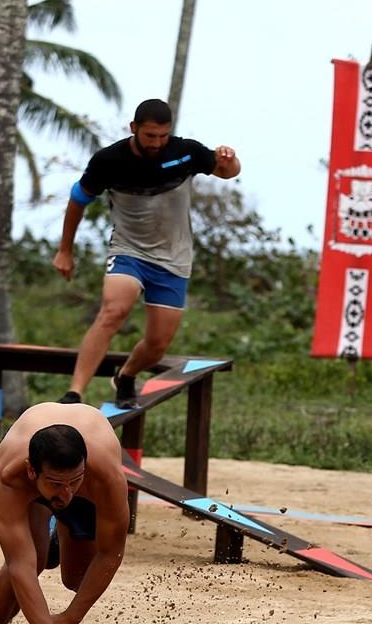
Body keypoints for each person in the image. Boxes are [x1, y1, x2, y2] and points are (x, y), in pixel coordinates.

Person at [53, 98, 241, 408]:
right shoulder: (109, 160)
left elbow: (227, 171)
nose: (157, 143)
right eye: (150, 135)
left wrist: (229, 157)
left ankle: (126, 376)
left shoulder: (185, 153)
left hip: (174, 258)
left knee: (157, 345)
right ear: (134, 128)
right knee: (113, 311)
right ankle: (75, 393)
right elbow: (77, 199)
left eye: (163, 136)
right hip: (129, 250)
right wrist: (65, 250)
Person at [0, 402, 129, 624]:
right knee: (32, 558)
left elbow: (111, 552)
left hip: (88, 487)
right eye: (58, 483)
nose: (67, 491)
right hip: (33, 492)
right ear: (31, 471)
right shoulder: (10, 477)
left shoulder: (105, 478)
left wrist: (69, 619)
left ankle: (57, 530)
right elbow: (20, 564)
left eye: (74, 481)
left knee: (77, 579)